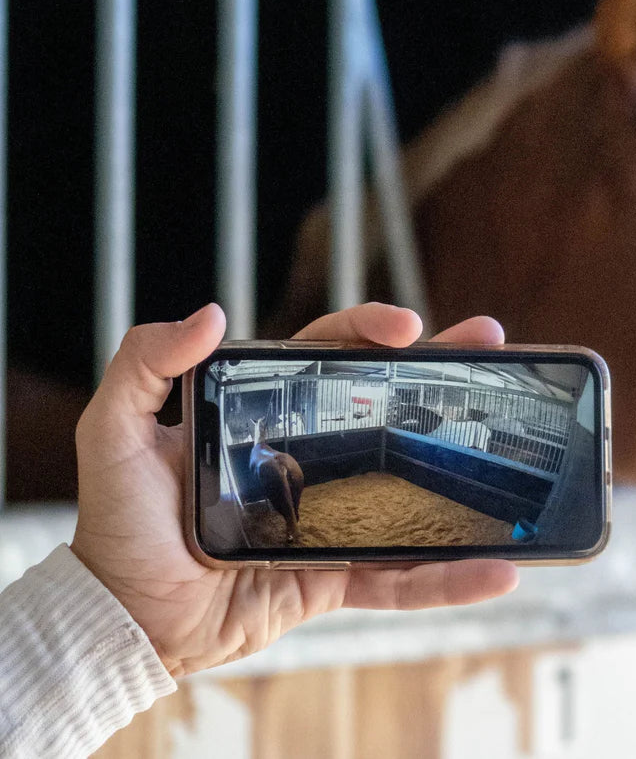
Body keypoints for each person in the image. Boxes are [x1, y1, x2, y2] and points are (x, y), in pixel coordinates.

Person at [0, 302, 519, 758]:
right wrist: (120, 602)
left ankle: (290, 525)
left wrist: (116, 604)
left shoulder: (254, 453)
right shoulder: (275, 451)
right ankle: (294, 523)